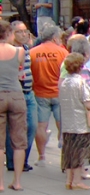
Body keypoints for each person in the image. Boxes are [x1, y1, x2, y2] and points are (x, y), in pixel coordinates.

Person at [29, 24, 68, 166]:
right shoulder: (63, 53)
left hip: (40, 93)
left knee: (41, 126)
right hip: (59, 93)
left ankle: (42, 157)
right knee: (63, 126)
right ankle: (65, 157)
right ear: (55, 38)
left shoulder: (33, 52)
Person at [59, 53, 90, 190]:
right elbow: (87, 103)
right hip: (80, 123)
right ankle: (76, 181)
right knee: (79, 152)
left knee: (69, 152)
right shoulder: (81, 82)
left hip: (68, 122)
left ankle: (69, 180)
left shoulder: (64, 82)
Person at [0, 20, 28, 192]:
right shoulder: (19, 51)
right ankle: (17, 181)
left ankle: (0, 183)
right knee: (19, 141)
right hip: (17, 96)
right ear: (9, 34)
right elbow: (20, 71)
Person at [5, 22, 36, 173]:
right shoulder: (10, 51)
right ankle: (13, 161)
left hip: (29, 92)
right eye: (20, 32)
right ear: (12, 33)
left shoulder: (26, 49)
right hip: (15, 93)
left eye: (26, 32)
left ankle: (22, 159)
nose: (24, 35)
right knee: (12, 129)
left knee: (32, 126)